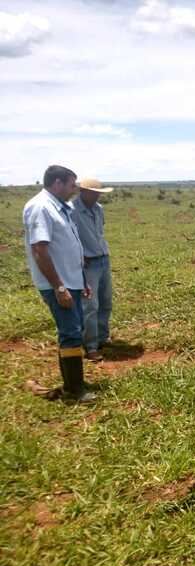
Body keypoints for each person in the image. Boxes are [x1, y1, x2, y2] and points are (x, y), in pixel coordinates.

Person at [22, 165, 96, 403]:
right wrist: (59, 287)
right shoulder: (41, 207)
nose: (75, 190)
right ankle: (75, 389)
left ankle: (73, 382)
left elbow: (69, 247)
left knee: (73, 331)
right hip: (58, 285)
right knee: (71, 333)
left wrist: (81, 281)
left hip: (71, 281)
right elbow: (39, 250)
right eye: (72, 185)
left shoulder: (59, 207)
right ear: (57, 183)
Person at [72, 177, 114, 361]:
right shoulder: (72, 210)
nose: (97, 196)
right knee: (90, 305)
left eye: (99, 193)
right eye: (94, 193)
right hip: (88, 264)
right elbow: (68, 237)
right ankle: (91, 347)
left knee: (106, 302)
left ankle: (103, 337)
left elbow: (99, 232)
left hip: (103, 259)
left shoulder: (99, 209)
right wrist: (79, 256)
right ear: (83, 192)